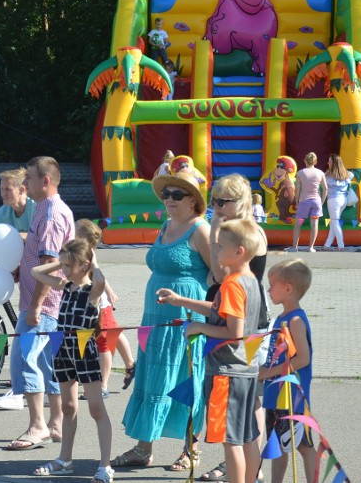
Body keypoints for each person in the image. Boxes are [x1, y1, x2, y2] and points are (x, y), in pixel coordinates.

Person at [113, 170, 210, 471]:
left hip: (184, 317)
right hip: (155, 317)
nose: (169, 199)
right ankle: (144, 448)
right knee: (153, 377)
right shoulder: (166, 224)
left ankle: (190, 450)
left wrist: (192, 302)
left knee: (185, 378)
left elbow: (217, 274)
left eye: (177, 195)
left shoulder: (200, 229)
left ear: (193, 200)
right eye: (166, 194)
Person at [159, 218, 265, 483]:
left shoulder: (231, 284)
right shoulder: (249, 280)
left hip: (226, 373)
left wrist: (199, 328)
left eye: (219, 248)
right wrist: (181, 300)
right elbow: (220, 312)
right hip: (246, 371)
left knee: (231, 442)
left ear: (238, 251)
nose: (214, 252)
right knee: (247, 436)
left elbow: (235, 332)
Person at [202, 173, 271, 482]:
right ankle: (247, 468)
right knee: (248, 401)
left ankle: (242, 467)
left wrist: (215, 231)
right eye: (212, 201)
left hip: (239, 319)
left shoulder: (241, 235)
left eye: (221, 202)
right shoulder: (242, 232)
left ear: (238, 202)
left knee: (243, 402)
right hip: (240, 314)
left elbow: (217, 275)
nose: (215, 207)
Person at [4, 156, 74, 450]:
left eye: (29, 178)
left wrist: (34, 306)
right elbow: (40, 257)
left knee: (25, 357)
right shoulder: (45, 209)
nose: (24, 184)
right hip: (47, 302)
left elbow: (50, 264)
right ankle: (55, 423)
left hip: (43, 304)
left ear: (45, 181)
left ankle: (37, 425)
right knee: (48, 363)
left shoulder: (49, 215)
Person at [30, 240, 114, 482]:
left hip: (84, 350)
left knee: (97, 409)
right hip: (63, 349)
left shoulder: (93, 291)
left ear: (85, 265)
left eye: (69, 265)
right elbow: (36, 272)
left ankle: (105, 465)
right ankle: (64, 460)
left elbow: (99, 279)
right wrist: (62, 260)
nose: (64, 270)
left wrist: (93, 263)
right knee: (68, 407)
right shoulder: (65, 286)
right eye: (63, 265)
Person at [259, 259, 317, 483]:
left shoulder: (295, 320)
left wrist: (267, 372)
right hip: (276, 394)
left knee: (303, 444)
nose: (269, 289)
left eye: (272, 285)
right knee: (277, 442)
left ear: (288, 288)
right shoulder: (280, 319)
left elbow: (303, 358)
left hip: (293, 396)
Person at [0, 167, 37, 410]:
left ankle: (21, 390)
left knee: (29, 332)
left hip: (40, 275)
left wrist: (13, 236)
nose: (3, 193)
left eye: (8, 189)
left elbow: (39, 237)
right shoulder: (4, 211)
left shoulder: (36, 209)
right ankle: (24, 386)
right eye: (1, 188)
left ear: (22, 189)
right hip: (17, 270)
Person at [75, 218, 136, 398]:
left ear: (80, 237)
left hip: (99, 307)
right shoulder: (84, 252)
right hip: (95, 304)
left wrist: (108, 293)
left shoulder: (87, 254)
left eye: (74, 229)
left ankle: (103, 385)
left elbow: (98, 274)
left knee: (104, 344)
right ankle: (131, 364)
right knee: (113, 334)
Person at [288, 152, 327, 253]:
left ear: (305, 160)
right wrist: (321, 201)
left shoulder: (300, 173)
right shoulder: (320, 173)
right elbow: (325, 189)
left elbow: (297, 189)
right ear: (315, 162)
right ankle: (311, 247)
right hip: (316, 202)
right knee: (314, 224)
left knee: (298, 224)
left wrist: (297, 201)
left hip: (304, 202)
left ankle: (294, 247)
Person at [323, 153, 353, 251]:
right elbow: (351, 175)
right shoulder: (346, 174)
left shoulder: (328, 175)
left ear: (334, 163)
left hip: (333, 200)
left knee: (335, 223)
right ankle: (327, 245)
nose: (328, 163)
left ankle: (341, 245)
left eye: (330, 161)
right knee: (334, 222)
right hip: (343, 200)